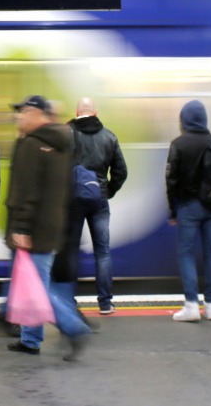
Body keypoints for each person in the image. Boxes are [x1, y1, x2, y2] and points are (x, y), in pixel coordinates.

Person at [3, 95, 92, 360]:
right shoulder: (59, 142)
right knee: (32, 285)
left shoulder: (33, 145)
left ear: (38, 115)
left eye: (24, 112)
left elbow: (27, 192)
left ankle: (75, 329)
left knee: (38, 290)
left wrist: (21, 228)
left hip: (34, 230)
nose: (19, 117)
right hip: (51, 225)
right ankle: (31, 339)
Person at [165, 99, 211, 322]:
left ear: (184, 119)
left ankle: (191, 305)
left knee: (186, 253)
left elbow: (171, 180)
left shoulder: (179, 144)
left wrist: (173, 210)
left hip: (189, 206)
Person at [67, 97, 129, 315]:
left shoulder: (66, 134)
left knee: (71, 251)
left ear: (76, 112)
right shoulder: (109, 136)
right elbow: (121, 172)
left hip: (72, 200)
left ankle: (69, 301)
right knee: (102, 252)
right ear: (95, 112)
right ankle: (104, 302)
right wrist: (108, 190)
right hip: (99, 199)